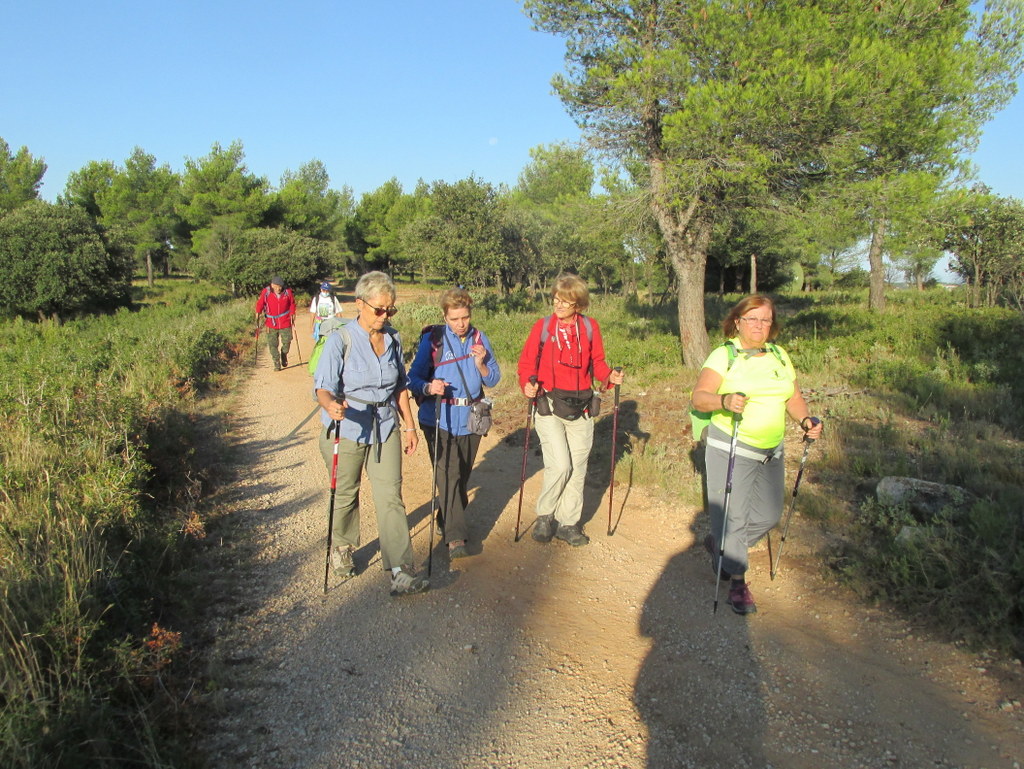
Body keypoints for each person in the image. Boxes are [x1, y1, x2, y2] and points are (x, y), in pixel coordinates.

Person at [689, 294, 823, 615]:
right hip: (731, 446)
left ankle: (722, 545)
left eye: (765, 320)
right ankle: (737, 581)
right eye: (752, 319)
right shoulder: (725, 356)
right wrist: (724, 401)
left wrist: (806, 420)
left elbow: (792, 396)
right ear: (738, 322)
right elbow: (699, 398)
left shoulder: (778, 355)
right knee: (734, 519)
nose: (759, 325)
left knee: (768, 515)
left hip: (771, 450)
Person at [312, 271, 429, 597]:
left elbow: (400, 387)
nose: (385, 316)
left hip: (385, 425)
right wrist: (332, 404)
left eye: (390, 310)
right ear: (359, 304)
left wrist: (409, 425)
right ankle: (342, 547)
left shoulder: (393, 339)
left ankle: (401, 571)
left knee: (391, 496)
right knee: (346, 492)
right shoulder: (341, 340)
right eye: (379, 309)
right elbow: (322, 387)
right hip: (347, 426)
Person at [517, 274, 625, 547]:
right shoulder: (542, 328)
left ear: (579, 304)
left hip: (582, 406)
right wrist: (527, 386)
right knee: (561, 464)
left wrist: (609, 376)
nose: (559, 305)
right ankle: (545, 515)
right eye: (556, 299)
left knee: (578, 468)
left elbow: (597, 363)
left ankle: (568, 523)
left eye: (565, 301)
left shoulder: (589, 328)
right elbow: (527, 364)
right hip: (549, 404)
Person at [409, 288, 501, 559]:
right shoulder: (433, 340)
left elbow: (494, 378)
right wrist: (429, 386)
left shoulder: (479, 338)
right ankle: (456, 538)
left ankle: (445, 518)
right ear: (445, 316)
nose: (461, 324)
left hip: (471, 418)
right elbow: (412, 378)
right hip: (438, 419)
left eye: (465, 317)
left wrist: (482, 364)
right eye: (455, 319)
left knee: (461, 477)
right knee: (448, 475)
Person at [255, 276, 297, 371]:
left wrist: (292, 312)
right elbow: (260, 303)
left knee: (287, 341)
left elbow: (292, 304)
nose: (279, 288)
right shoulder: (266, 292)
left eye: (281, 286)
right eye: (277, 286)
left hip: (285, 321)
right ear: (272, 285)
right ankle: (276, 363)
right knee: (272, 344)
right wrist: (258, 312)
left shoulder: (287, 292)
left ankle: (284, 353)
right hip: (271, 323)